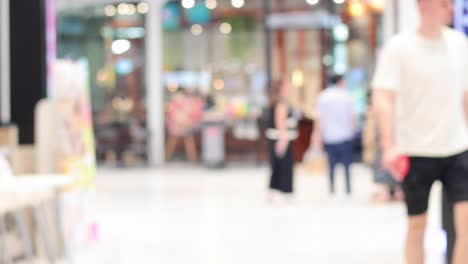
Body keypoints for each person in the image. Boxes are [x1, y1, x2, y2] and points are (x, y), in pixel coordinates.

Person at [372, 0, 468, 263]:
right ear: (424, 6)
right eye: (444, 3)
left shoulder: (460, 44)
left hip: (457, 148)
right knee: (417, 226)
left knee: (466, 227)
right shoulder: (399, 47)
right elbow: (383, 97)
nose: (450, 9)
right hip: (415, 150)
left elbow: (465, 96)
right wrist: (389, 145)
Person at [312, 74, 357, 197]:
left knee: (331, 165)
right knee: (347, 165)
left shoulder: (323, 96)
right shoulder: (346, 96)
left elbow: (319, 118)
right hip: (345, 135)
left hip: (329, 136)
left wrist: (318, 135)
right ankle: (347, 188)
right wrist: (353, 131)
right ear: (341, 81)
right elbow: (353, 117)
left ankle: (332, 188)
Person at [362, 92, 403, 203]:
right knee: (396, 172)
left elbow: (370, 132)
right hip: (396, 144)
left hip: (382, 145)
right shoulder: (397, 107)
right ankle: (397, 193)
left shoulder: (374, 111)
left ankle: (384, 195)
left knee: (384, 171)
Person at [266, 79, 297, 202]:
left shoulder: (275, 101)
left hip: (276, 138)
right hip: (281, 138)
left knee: (277, 165)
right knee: (283, 166)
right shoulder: (281, 103)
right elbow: (280, 122)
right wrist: (283, 140)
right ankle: (284, 190)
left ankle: (274, 189)